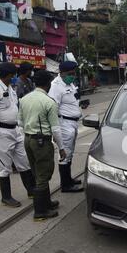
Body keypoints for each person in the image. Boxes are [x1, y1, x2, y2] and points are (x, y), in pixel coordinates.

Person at [19, 70, 66, 221]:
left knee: (37, 172)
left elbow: (20, 122)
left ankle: (47, 203)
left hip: (28, 140)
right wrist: (62, 148)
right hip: (42, 142)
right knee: (43, 175)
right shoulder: (49, 102)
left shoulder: (24, 99)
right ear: (48, 84)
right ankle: (40, 212)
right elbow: (56, 129)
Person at [0, 62, 35, 207]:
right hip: (2, 132)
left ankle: (31, 190)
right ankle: (6, 197)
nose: (15, 78)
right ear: (8, 75)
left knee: (24, 162)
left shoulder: (9, 87)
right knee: (5, 167)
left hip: (15, 130)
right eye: (13, 75)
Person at [48, 61, 84, 193]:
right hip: (64, 124)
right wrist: (54, 129)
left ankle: (69, 179)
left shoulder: (69, 83)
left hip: (73, 123)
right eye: (70, 74)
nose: (73, 76)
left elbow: (72, 101)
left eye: (74, 73)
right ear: (62, 73)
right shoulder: (56, 86)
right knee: (64, 154)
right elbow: (53, 108)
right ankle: (65, 185)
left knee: (70, 153)